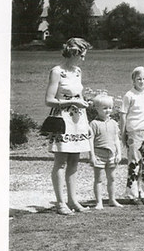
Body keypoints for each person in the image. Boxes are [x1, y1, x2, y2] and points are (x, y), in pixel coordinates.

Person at [44, 38, 92, 215]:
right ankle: (60, 202)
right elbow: (48, 100)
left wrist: (83, 102)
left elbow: (78, 94)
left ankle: (73, 200)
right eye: (82, 55)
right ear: (73, 53)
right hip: (62, 120)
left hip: (78, 120)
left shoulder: (78, 71)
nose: (83, 59)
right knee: (60, 162)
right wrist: (71, 102)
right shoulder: (57, 72)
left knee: (74, 162)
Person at [120, 66, 144, 203]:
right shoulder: (129, 95)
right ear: (133, 80)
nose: (141, 81)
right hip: (134, 132)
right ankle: (132, 194)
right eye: (139, 79)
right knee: (134, 163)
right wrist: (123, 133)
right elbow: (123, 115)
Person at [89, 93, 123, 209]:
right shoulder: (94, 124)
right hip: (99, 153)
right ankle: (99, 202)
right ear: (97, 109)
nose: (108, 110)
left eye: (110, 108)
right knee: (98, 179)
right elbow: (90, 140)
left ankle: (112, 199)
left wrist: (119, 153)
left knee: (112, 178)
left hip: (112, 154)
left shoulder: (114, 123)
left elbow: (116, 139)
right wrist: (92, 155)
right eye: (104, 108)